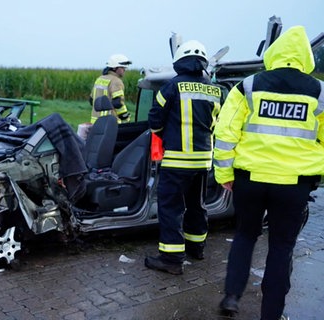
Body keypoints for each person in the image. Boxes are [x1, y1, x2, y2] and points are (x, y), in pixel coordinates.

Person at [214, 25, 324, 320]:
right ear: (305, 56)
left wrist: (224, 172)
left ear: (275, 52)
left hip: (250, 179)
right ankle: (271, 314)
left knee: (245, 236)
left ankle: (232, 296)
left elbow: (226, 131)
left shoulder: (248, 86)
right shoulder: (319, 92)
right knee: (281, 246)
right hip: (294, 185)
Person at [144, 40, 221, 275]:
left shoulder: (172, 87)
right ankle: (197, 248)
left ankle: (171, 259)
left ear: (180, 61)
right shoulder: (214, 90)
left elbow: (155, 120)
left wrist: (164, 135)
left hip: (177, 161)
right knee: (197, 205)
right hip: (203, 161)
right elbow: (216, 124)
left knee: (171, 208)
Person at [89, 54, 132, 124]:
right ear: (115, 68)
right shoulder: (116, 81)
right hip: (109, 124)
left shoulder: (99, 79)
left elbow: (91, 100)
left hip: (95, 123)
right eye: (123, 67)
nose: (125, 70)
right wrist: (125, 116)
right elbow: (117, 103)